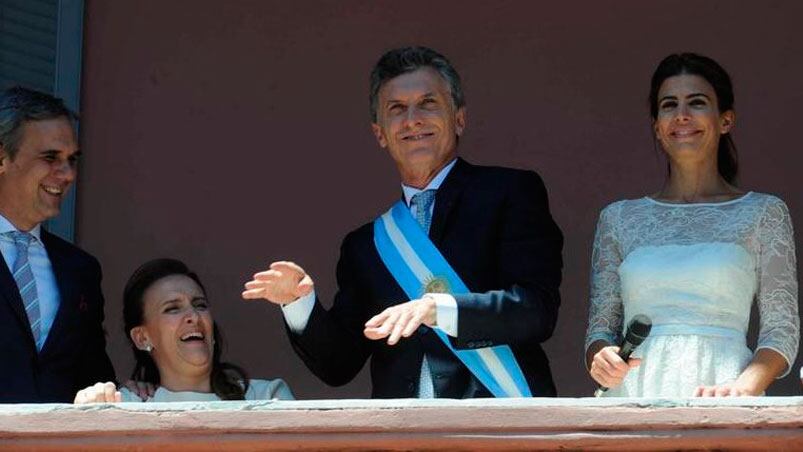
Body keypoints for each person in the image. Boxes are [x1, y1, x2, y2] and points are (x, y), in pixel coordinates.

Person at [242, 46, 563, 398]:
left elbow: (535, 310)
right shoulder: (365, 246)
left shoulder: (508, 193)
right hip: (405, 436)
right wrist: (298, 303)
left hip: (495, 426)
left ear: (459, 118)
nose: (412, 119)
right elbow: (338, 365)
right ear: (380, 134)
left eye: (428, 103)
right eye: (397, 109)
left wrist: (437, 309)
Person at [585, 53, 799, 397]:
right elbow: (600, 331)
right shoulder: (618, 218)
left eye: (697, 102)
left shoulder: (764, 212)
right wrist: (601, 358)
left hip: (725, 393)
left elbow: (781, 330)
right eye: (669, 105)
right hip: (633, 397)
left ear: (725, 120)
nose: (682, 115)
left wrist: (743, 388)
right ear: (657, 126)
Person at [0, 86, 115, 403]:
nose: (66, 174)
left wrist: (119, 393)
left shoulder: (81, 270)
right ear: (2, 158)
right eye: (50, 157)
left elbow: (95, 377)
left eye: (71, 160)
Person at [75, 258, 293, 402]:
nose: (194, 316)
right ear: (142, 337)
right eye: (172, 308)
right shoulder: (123, 405)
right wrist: (89, 410)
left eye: (200, 305)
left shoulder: (267, 397)